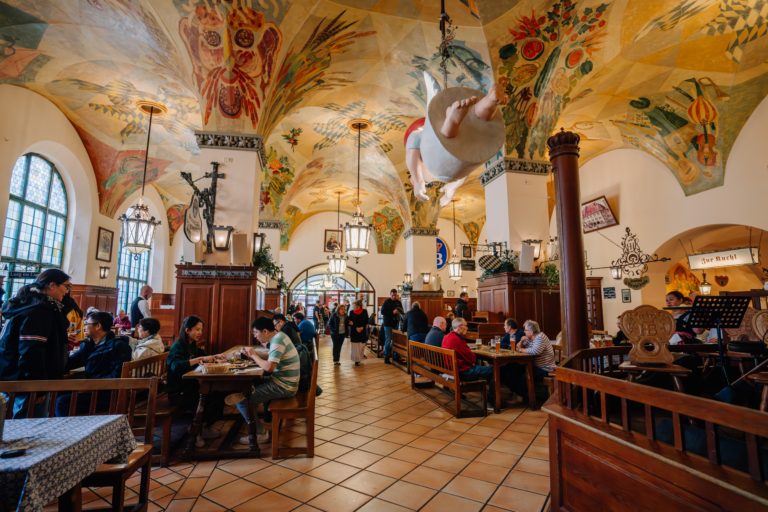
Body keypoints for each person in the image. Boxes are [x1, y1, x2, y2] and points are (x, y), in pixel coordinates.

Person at [0, 269, 77, 418]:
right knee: (26, 428)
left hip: (16, 377)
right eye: (66, 286)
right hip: (26, 382)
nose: (68, 291)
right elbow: (31, 351)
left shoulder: (34, 304)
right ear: (52, 285)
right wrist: (39, 387)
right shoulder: (39, 310)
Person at [232, 317, 299, 445]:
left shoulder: (277, 340)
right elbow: (272, 357)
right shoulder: (279, 336)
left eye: (256, 333)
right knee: (249, 386)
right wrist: (252, 355)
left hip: (284, 387)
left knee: (242, 400)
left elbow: (269, 367)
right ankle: (254, 419)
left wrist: (254, 355)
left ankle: (260, 433)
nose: (255, 336)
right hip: (284, 381)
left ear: (265, 331)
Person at [56, 311, 132, 415]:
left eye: (87, 323)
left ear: (98, 326)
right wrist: (64, 342)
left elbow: (117, 376)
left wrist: (87, 387)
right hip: (91, 388)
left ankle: (67, 430)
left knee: (62, 402)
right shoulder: (89, 345)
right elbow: (70, 363)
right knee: (56, 392)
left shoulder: (118, 346)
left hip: (106, 394)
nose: (84, 326)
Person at [167, 315, 223, 448]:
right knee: (204, 399)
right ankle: (195, 431)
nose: (200, 333)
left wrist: (215, 357)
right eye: (197, 330)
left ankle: (204, 426)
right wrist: (200, 359)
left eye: (201, 330)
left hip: (191, 387)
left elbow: (203, 355)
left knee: (218, 395)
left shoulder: (192, 345)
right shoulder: (178, 346)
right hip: (179, 392)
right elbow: (176, 366)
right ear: (187, 330)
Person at [441, 317, 494, 409]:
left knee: (486, 369)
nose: (467, 328)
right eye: (466, 326)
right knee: (494, 370)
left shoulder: (447, 337)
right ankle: (492, 401)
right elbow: (472, 358)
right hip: (463, 372)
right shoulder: (457, 340)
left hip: (452, 370)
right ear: (460, 327)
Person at [508, 320, 556, 401]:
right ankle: (526, 396)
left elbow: (535, 351)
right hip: (535, 366)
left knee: (523, 377)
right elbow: (517, 347)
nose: (524, 332)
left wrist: (521, 350)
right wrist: (522, 341)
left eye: (526, 330)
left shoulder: (540, 337)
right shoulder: (530, 338)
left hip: (545, 368)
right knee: (513, 370)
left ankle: (531, 398)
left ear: (531, 331)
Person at [380, 288, 404, 364]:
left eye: (395, 295)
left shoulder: (398, 302)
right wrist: (392, 312)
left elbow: (402, 311)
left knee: (396, 340)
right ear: (390, 295)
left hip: (396, 323)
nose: (394, 296)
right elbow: (382, 312)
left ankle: (395, 356)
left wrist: (399, 312)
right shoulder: (386, 302)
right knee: (388, 340)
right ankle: (386, 357)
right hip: (388, 324)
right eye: (392, 295)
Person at [347, 300, 369, 366]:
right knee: (355, 347)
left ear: (358, 306)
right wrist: (355, 327)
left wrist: (362, 327)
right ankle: (356, 360)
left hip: (362, 330)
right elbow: (350, 322)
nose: (353, 306)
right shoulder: (351, 312)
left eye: (354, 305)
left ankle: (360, 358)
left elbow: (366, 320)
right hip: (354, 331)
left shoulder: (364, 312)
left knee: (361, 345)